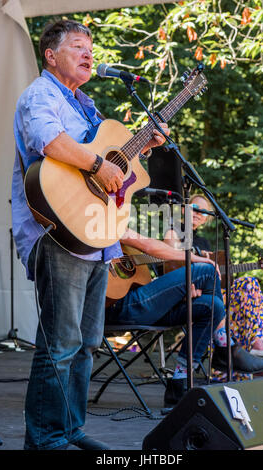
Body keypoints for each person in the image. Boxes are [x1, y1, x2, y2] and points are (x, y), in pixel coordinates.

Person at [12, 20, 170, 450]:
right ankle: (45, 440)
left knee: (85, 345)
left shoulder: (89, 107)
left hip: (97, 236)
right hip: (58, 231)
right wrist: (100, 167)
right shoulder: (40, 96)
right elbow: (51, 142)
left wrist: (146, 146)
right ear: (50, 54)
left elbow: (117, 169)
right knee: (60, 344)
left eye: (91, 48)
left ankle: (70, 430)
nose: (89, 54)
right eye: (78, 47)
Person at [105, 228, 263, 408]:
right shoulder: (103, 224)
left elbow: (148, 254)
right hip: (118, 306)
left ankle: (179, 383)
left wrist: (176, 293)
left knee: (212, 306)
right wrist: (192, 258)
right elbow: (149, 245)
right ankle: (226, 347)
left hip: (144, 306)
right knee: (207, 269)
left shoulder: (119, 227)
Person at [171, 193, 263, 382]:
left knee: (248, 284)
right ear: (184, 209)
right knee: (224, 304)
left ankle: (255, 348)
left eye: (204, 212)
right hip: (188, 297)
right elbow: (169, 264)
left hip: (214, 295)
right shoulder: (173, 233)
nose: (198, 214)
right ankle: (258, 363)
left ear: (208, 219)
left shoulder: (206, 244)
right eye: (195, 208)